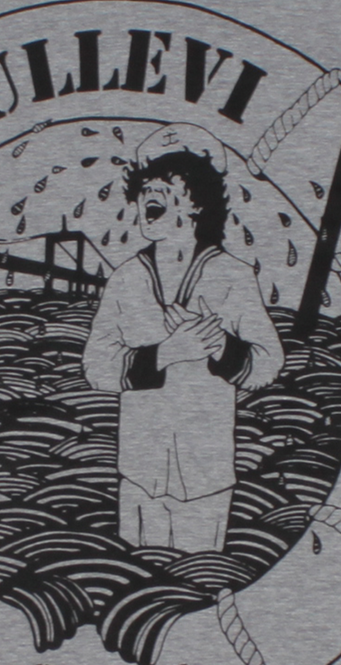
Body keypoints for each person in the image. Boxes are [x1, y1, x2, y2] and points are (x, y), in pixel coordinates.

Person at [83, 125, 284, 554]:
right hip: (138, 472)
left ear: (197, 203)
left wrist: (219, 347)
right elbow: (95, 366)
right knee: (138, 573)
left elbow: (269, 361)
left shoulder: (232, 275)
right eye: (145, 186)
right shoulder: (125, 279)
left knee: (199, 578)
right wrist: (165, 354)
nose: (149, 193)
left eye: (167, 183)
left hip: (205, 475)